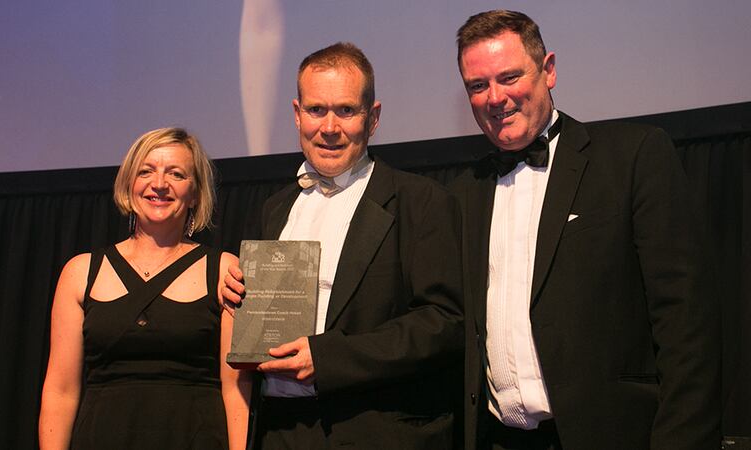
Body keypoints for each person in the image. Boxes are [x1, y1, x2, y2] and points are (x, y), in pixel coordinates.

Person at [449, 10, 721, 450]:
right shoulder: (463, 193)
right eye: (477, 86)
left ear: (548, 70)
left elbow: (686, 325)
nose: (494, 97)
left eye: (509, 77)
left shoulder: (633, 158)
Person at [221, 42, 465, 449]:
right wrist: (235, 293)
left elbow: (443, 323)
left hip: (377, 431)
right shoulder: (274, 209)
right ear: (297, 115)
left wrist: (329, 359)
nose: (329, 127)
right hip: (280, 432)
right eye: (316, 110)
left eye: (346, 110)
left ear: (373, 118)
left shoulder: (420, 201)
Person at [38, 127, 238, 449]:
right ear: (129, 185)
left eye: (176, 173)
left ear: (196, 193)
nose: (159, 184)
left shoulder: (225, 269)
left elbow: (235, 388)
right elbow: (60, 391)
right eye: (146, 171)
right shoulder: (80, 272)